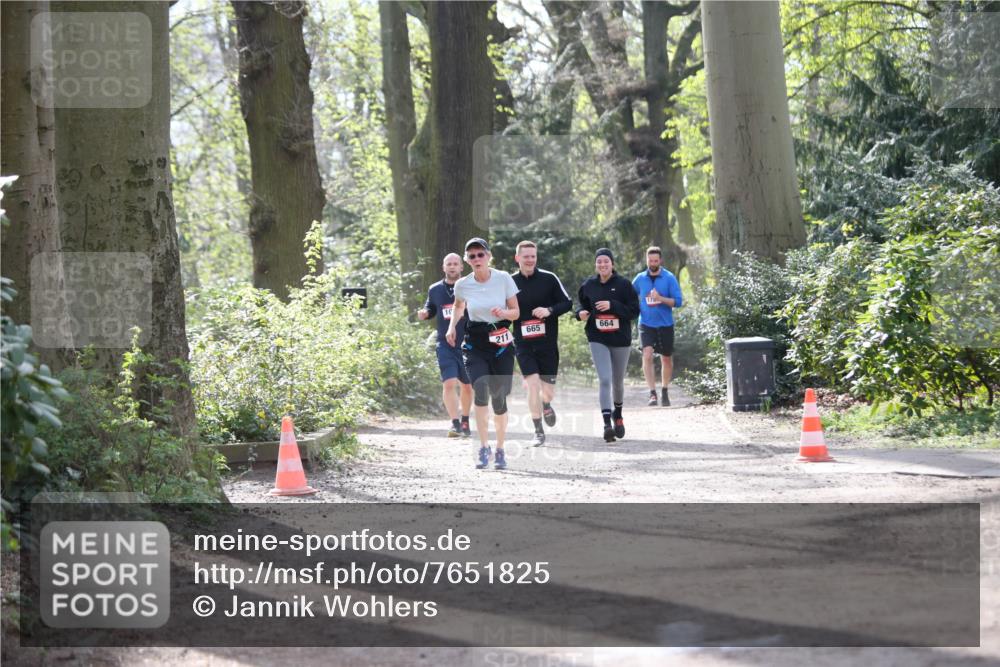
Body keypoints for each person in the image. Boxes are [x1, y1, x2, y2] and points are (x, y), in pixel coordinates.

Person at [446, 238, 520, 469]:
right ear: (467, 261)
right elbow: (459, 307)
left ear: (488, 256)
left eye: (480, 254)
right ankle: (483, 447)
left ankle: (500, 448)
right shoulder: (462, 285)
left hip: (500, 343)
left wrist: (504, 312)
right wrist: (451, 327)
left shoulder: (504, 278)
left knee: (499, 400)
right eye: (472, 256)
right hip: (475, 343)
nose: (476, 259)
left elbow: (516, 312)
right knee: (480, 390)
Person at [511, 241, 573, 447]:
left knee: (547, 391)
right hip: (523, 344)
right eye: (526, 256)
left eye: (533, 256)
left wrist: (549, 310)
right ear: (517, 258)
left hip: (547, 345)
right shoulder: (509, 283)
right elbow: (502, 310)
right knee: (532, 384)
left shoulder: (549, 278)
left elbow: (567, 303)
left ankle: (546, 404)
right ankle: (538, 430)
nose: (530, 260)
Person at [576, 248, 640, 443]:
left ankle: (617, 415)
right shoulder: (589, 285)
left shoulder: (624, 285)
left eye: (606, 262)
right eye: (599, 262)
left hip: (620, 339)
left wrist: (613, 305)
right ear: (595, 265)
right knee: (605, 379)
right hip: (597, 338)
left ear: (612, 264)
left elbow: (634, 311)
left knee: (618, 382)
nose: (602, 265)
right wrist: (579, 314)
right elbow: (582, 306)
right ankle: (606, 424)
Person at [418, 253, 473, 438]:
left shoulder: (471, 287)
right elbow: (431, 307)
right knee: (449, 383)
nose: (452, 267)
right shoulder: (435, 289)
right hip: (445, 342)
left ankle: (465, 419)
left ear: (461, 267)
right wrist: (425, 312)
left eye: (455, 264)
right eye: (448, 264)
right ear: (443, 267)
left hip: (468, 343)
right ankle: (455, 423)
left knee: (467, 386)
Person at [632, 246, 683, 407]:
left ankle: (665, 390)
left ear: (660, 260)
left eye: (655, 260)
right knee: (647, 354)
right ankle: (652, 393)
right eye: (650, 260)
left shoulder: (669, 278)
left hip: (665, 324)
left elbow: (678, 302)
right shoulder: (640, 278)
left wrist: (660, 298)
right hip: (646, 323)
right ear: (646, 260)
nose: (653, 263)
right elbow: (629, 295)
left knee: (666, 358)